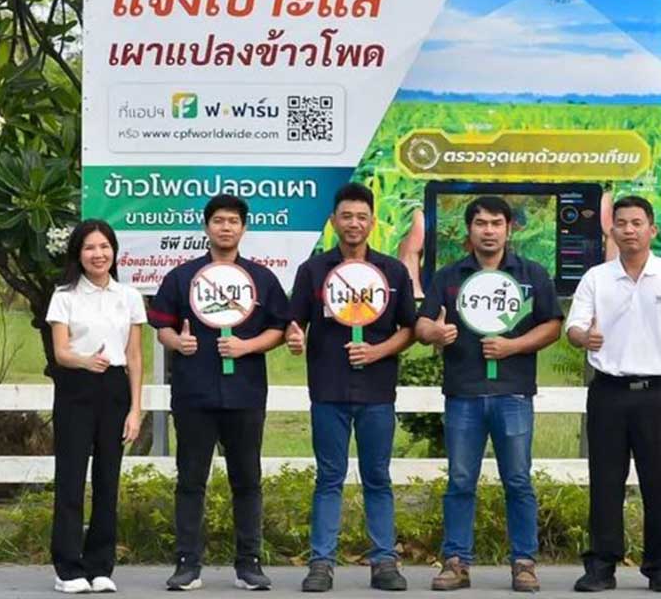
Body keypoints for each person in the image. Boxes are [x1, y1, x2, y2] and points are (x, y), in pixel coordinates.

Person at [415, 196, 563, 593]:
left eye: (496, 223)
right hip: (463, 393)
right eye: (481, 223)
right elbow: (422, 325)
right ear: (469, 229)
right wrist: (435, 332)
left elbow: (552, 325)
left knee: (518, 480)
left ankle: (524, 563)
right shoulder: (449, 276)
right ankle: (456, 562)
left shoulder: (531, 274)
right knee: (461, 480)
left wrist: (514, 346)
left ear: (509, 228)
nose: (489, 230)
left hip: (513, 394)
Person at [565, 195, 661, 593]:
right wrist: (584, 338)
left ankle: (659, 567)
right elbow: (574, 328)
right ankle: (601, 566)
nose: (629, 230)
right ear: (611, 230)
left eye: (637, 223)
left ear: (652, 229)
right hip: (608, 391)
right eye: (622, 223)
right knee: (605, 481)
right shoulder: (596, 278)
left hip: (658, 394)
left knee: (658, 482)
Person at [148, 194, 289, 592]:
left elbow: (279, 328)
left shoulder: (262, 279)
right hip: (194, 393)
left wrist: (247, 346)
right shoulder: (181, 277)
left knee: (247, 480)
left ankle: (249, 564)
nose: (226, 228)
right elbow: (162, 327)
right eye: (219, 221)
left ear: (244, 228)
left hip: (245, 394)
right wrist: (177, 342)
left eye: (233, 221)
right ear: (206, 226)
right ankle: (187, 564)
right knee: (191, 480)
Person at [286, 182, 416, 592]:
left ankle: (385, 562)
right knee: (329, 477)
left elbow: (409, 329)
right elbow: (294, 324)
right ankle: (321, 564)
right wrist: (294, 338)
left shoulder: (393, 271)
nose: (354, 223)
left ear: (372, 222)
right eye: (346, 216)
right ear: (333, 221)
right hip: (328, 389)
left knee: (377, 476)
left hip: (377, 392)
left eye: (361, 217)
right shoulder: (312, 270)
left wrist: (378, 352)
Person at [47, 219, 146, 594]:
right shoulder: (64, 296)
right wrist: (85, 361)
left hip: (115, 389)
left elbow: (135, 356)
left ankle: (100, 566)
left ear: (114, 251)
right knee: (71, 479)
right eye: (90, 247)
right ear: (78, 253)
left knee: (108, 480)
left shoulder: (129, 296)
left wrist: (135, 409)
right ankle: (68, 569)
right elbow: (61, 352)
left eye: (104, 247)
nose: (98, 254)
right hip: (76, 388)